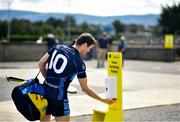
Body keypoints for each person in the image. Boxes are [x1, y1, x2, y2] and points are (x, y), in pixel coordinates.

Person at [38, 33, 114, 122]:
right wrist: (103, 100)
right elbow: (85, 89)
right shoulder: (79, 63)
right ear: (85, 45)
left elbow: (41, 63)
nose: (89, 51)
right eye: (89, 48)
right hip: (59, 98)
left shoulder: (57, 48)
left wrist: (48, 79)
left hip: (45, 93)